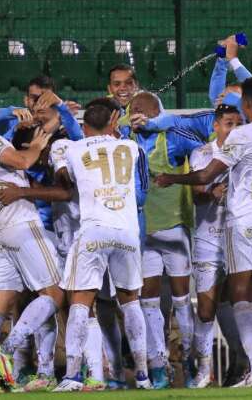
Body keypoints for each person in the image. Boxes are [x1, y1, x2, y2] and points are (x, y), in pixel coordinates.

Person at [155, 77, 252, 387]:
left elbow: (206, 174)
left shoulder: (241, 135)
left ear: (247, 105)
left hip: (242, 219)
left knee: (241, 294)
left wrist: (172, 180)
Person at [0, 87, 70, 393]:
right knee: (55, 293)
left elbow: (12, 137)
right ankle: (7, 350)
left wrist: (42, 123)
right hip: (21, 220)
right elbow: (22, 161)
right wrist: (35, 146)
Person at [53, 103, 151, 391]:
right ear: (113, 122)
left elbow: (64, 180)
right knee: (131, 302)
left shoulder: (72, 148)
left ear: (84, 127)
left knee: (81, 303)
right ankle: (143, 375)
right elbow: (142, 191)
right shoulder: (131, 147)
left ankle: (72, 375)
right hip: (127, 232)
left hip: (94, 230)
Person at [128, 92, 204, 388]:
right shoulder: (126, 138)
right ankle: (158, 365)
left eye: (144, 109)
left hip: (174, 226)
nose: (137, 113)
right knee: (148, 302)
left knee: (182, 300)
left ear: (158, 113)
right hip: (143, 230)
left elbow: (205, 150)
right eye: (134, 109)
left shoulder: (173, 137)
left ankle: (188, 360)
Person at [187, 104, 242, 388]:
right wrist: (211, 192)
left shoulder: (245, 151)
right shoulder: (202, 154)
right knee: (207, 309)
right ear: (216, 126)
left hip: (239, 240)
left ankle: (244, 362)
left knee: (241, 304)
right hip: (209, 239)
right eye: (229, 123)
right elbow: (196, 195)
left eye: (237, 123)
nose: (234, 129)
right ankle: (204, 371)